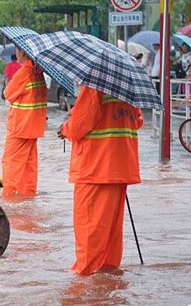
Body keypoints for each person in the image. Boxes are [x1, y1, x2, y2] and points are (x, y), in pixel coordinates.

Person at [57, 86, 144, 275]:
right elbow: (137, 121)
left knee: (89, 226)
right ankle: (108, 270)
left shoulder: (93, 87)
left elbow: (81, 124)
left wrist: (66, 129)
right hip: (120, 165)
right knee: (111, 229)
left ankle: (85, 276)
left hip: (95, 167)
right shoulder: (127, 88)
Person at [1, 47, 47, 197]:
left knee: (11, 163)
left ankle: (10, 198)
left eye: (17, 50)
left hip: (20, 127)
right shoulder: (38, 73)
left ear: (22, 52)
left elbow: (7, 94)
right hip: (34, 127)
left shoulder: (24, 72)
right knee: (29, 165)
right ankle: (27, 196)